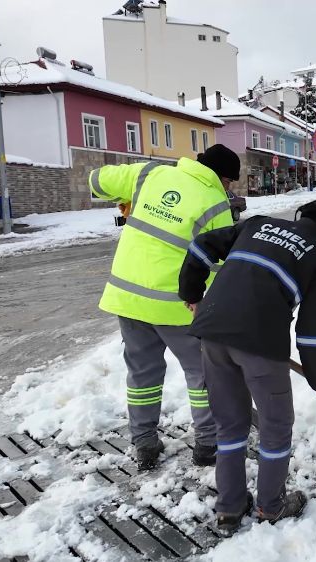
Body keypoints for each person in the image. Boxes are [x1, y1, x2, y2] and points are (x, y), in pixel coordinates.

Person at [179, 199, 316, 534]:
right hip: (261, 341)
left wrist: (192, 293)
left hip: (212, 332)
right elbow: (312, 334)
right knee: (275, 426)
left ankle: (228, 510)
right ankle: (271, 506)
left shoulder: (257, 224)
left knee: (230, 425)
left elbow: (200, 246)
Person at [89, 144, 240, 470]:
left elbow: (96, 181)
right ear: (222, 177)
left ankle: (144, 443)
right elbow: (222, 263)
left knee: (142, 375)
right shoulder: (216, 203)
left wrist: (129, 200)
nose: (229, 189)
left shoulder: (149, 174)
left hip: (128, 299)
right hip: (178, 308)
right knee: (202, 376)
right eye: (230, 182)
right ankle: (207, 445)